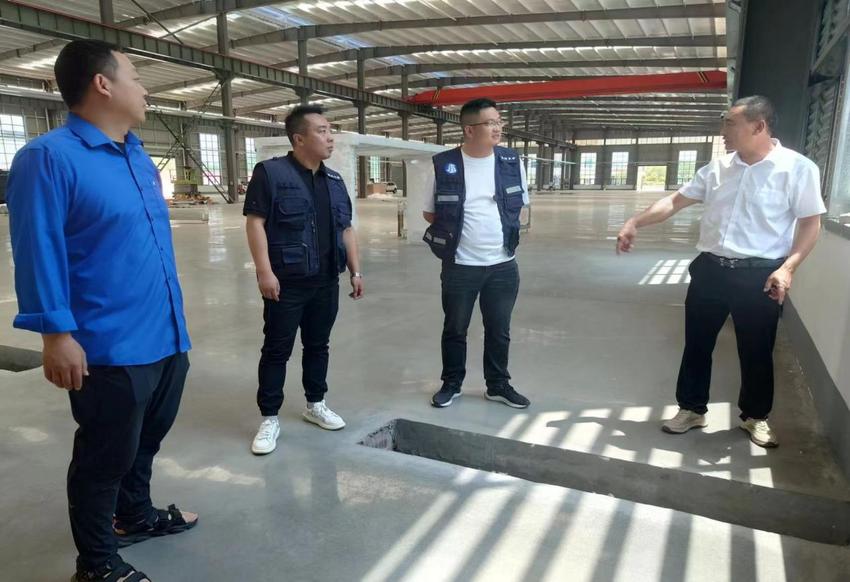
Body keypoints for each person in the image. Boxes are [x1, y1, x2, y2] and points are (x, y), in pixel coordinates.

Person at [6, 40, 197, 582]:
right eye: (136, 76)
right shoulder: (48, 158)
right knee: (103, 457)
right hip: (108, 345)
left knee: (146, 439)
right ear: (103, 84)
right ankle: (95, 563)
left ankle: (133, 515)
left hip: (165, 332)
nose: (145, 89)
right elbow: (37, 248)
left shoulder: (136, 154)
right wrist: (55, 334)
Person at [616, 95, 826, 448]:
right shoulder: (717, 169)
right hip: (711, 270)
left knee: (756, 350)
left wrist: (788, 268)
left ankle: (755, 417)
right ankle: (691, 409)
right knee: (697, 344)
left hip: (759, 275)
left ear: (758, 126)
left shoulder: (798, 168)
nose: (723, 131)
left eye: (730, 124)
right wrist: (635, 221)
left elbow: (810, 223)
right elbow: (674, 201)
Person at [244, 105, 363, 455]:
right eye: (322, 131)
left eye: (330, 131)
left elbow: (346, 229)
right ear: (299, 138)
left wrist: (355, 270)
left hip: (326, 280)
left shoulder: (335, 181)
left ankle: (316, 403)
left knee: (318, 345)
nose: (330, 138)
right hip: (287, 282)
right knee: (277, 349)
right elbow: (255, 223)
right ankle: (269, 417)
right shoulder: (270, 173)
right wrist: (264, 271)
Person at [423, 98, 531, 409]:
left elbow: (520, 205)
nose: (498, 128)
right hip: (460, 265)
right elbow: (430, 213)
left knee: (499, 330)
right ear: (469, 130)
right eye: (490, 123)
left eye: (499, 122)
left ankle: (498, 385)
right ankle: (451, 383)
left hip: (503, 265)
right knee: (455, 328)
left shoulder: (511, 161)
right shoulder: (443, 164)